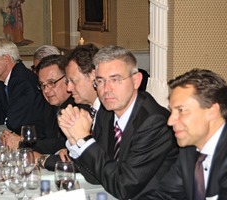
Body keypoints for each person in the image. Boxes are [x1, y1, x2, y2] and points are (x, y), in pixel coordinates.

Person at [58, 45, 178, 199]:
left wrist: (84, 139)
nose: (106, 89)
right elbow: (96, 175)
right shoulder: (107, 113)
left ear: (136, 80)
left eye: (115, 79)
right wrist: (74, 138)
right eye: (100, 81)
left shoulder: (154, 122)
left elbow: (124, 186)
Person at [140, 69, 227, 200]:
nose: (170, 121)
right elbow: (164, 195)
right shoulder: (191, 148)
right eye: (172, 111)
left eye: (181, 110)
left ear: (212, 111)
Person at [0, 37, 48, 135]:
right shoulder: (7, 81)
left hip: (38, 141)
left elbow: (13, 123)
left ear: (6, 58)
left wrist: (6, 119)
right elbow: (0, 117)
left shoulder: (22, 82)